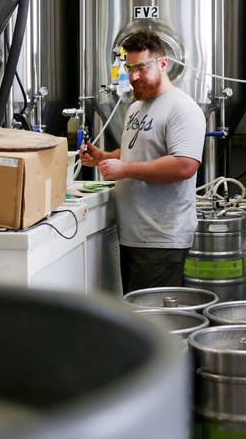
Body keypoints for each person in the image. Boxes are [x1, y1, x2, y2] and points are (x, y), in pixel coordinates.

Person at [80, 30, 207, 293]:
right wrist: (103, 157)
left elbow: (185, 165)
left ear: (163, 64)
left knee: (156, 321)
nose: (134, 76)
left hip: (161, 239)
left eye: (141, 68)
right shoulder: (137, 107)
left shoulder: (181, 108)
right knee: (140, 314)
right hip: (134, 234)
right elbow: (137, 152)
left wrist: (124, 169)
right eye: (129, 68)